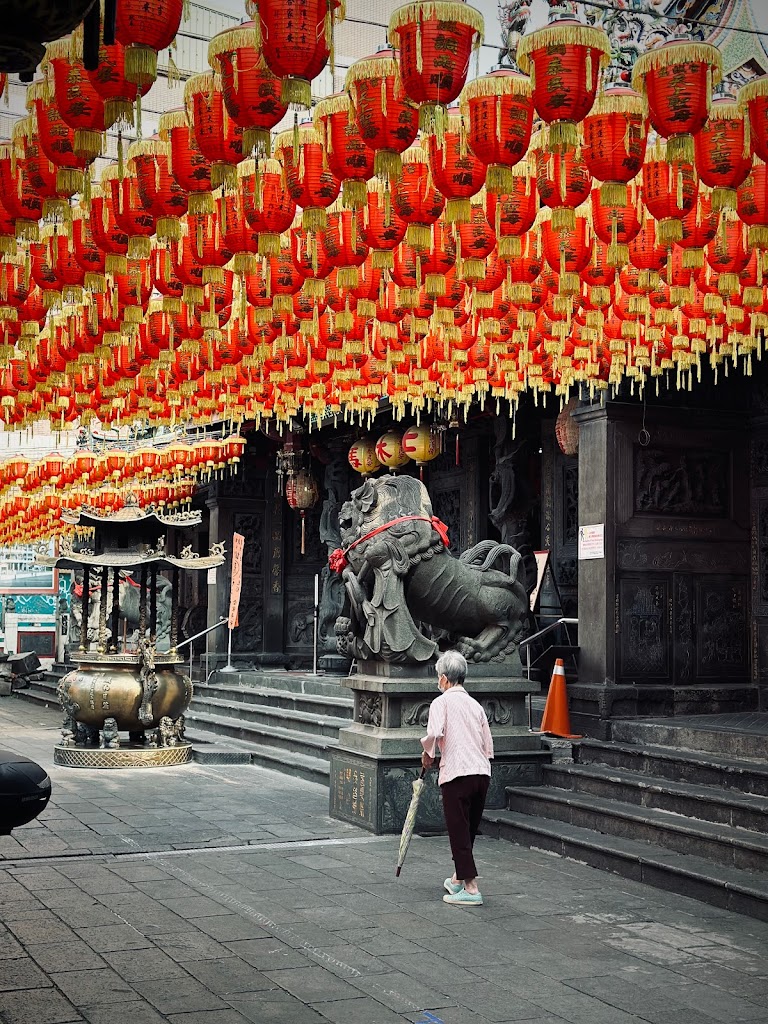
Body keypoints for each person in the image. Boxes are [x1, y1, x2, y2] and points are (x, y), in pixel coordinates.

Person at [420, 649, 494, 906]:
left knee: (458, 831)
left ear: (443, 679)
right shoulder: (475, 705)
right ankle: (457, 878)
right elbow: (487, 744)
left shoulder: (440, 703)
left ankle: (472, 889)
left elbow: (435, 733)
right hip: (481, 773)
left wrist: (427, 755)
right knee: (468, 830)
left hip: (457, 774)